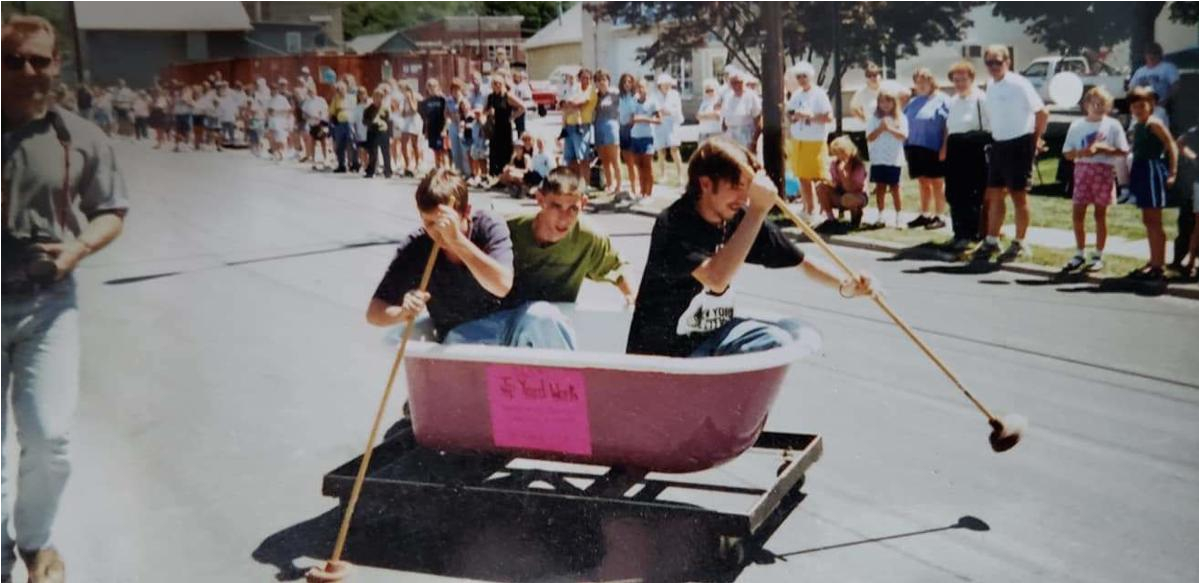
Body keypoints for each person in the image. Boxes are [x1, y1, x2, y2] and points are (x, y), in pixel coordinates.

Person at [2, 16, 129, 583]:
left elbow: (112, 210)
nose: (29, 72)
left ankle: (34, 540)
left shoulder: (78, 135)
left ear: (57, 64)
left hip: (47, 305)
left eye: (39, 60)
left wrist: (77, 249)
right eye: (13, 61)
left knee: (49, 435)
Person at [626, 137, 873, 358]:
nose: (743, 198)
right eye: (735, 186)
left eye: (748, 188)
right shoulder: (674, 222)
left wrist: (847, 283)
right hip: (665, 352)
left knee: (777, 341)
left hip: (713, 336)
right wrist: (757, 210)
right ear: (705, 184)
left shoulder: (739, 218)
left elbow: (801, 261)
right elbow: (716, 278)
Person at [367, 169, 573, 349]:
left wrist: (457, 241)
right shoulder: (417, 246)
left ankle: (571, 388)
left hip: (510, 326)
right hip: (462, 337)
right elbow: (374, 312)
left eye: (443, 222)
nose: (437, 232)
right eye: (428, 223)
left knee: (543, 317)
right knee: (457, 342)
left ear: (466, 211)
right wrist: (402, 312)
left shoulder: (488, 225)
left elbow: (501, 285)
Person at [506, 167, 636, 312]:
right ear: (540, 200)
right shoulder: (508, 228)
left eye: (573, 208)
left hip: (554, 321)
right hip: (503, 317)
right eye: (556, 206)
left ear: (584, 203)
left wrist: (632, 298)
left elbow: (617, 267)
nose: (564, 217)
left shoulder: (589, 237)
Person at [976, 44, 1049, 263]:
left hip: (1020, 144)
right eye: (989, 62)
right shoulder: (990, 85)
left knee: (1018, 195)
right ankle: (992, 239)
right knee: (994, 194)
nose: (994, 66)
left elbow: (1042, 112)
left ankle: (1019, 241)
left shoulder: (1019, 83)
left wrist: (1034, 140)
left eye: (998, 62)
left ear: (1008, 62)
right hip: (999, 144)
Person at [1060, 87, 1130, 273]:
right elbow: (1067, 153)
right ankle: (1079, 253)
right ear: (1086, 105)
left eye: (1103, 104)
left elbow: (1123, 151)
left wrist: (1104, 149)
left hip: (1103, 171)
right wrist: (1083, 152)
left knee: (1100, 215)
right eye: (1094, 104)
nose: (1098, 107)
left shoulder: (1113, 125)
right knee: (1078, 213)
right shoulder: (1077, 126)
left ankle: (1098, 255)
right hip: (1083, 170)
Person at [1125, 87, 1179, 282]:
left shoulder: (1154, 123)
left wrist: (1172, 171)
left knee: (1155, 220)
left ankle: (1159, 265)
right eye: (1134, 106)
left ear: (1152, 105)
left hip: (1152, 171)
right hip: (1141, 171)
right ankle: (1153, 260)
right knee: (1148, 220)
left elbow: (1171, 144)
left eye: (1142, 105)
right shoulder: (1138, 125)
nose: (1138, 109)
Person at [941, 60, 992, 250]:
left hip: (974, 148)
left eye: (963, 79)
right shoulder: (953, 101)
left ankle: (972, 234)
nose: (960, 83)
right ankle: (959, 233)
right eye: (956, 80)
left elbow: (990, 126)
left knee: (972, 193)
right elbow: (950, 128)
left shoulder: (981, 98)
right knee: (954, 192)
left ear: (971, 78)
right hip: (956, 148)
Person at [902, 68, 950, 230]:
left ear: (932, 82)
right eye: (918, 82)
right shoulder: (913, 102)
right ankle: (924, 214)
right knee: (923, 182)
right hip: (914, 147)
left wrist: (944, 147)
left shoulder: (943, 100)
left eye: (925, 81)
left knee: (937, 182)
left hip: (934, 147)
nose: (921, 85)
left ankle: (940, 216)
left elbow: (947, 127)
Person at [786, 62, 833, 221]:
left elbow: (828, 117)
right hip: (798, 139)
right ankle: (808, 208)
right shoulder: (796, 94)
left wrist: (810, 116)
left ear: (810, 76)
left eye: (804, 76)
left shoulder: (819, 94)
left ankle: (824, 211)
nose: (801, 80)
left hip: (815, 140)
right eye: (798, 77)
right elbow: (790, 114)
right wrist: (793, 117)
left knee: (818, 176)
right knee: (802, 176)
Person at [866, 88, 908, 229]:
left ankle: (899, 217)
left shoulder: (900, 117)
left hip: (894, 158)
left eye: (888, 101)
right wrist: (880, 129)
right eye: (882, 101)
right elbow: (869, 137)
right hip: (878, 158)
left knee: (895, 188)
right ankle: (880, 215)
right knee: (880, 187)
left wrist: (889, 128)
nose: (885, 105)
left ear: (894, 103)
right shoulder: (874, 118)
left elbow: (903, 136)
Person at [816, 136, 869, 230]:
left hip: (857, 195)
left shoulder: (858, 166)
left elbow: (853, 189)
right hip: (840, 193)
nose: (838, 157)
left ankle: (856, 217)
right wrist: (828, 182)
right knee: (820, 186)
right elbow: (835, 184)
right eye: (836, 154)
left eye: (840, 153)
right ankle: (830, 219)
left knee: (847, 198)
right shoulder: (835, 164)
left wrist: (844, 175)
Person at [1128, 42, 1180, 128]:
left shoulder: (1168, 67)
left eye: (1155, 53)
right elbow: (1131, 89)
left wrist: (1166, 101)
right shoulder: (1140, 71)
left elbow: (1176, 85)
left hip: (1160, 105)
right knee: (1134, 128)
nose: (1151, 55)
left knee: (1154, 128)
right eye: (1149, 53)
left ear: (1160, 54)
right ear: (1145, 55)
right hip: (1141, 106)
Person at [485, 73, 524, 186]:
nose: (496, 85)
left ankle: (505, 178)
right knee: (494, 152)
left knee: (505, 152)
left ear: (502, 84)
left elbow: (522, 107)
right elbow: (485, 110)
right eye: (494, 83)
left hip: (505, 127)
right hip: (494, 127)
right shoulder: (491, 97)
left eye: (499, 83)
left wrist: (512, 117)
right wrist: (488, 114)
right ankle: (495, 177)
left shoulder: (507, 96)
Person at [561, 68, 597, 183]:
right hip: (569, 126)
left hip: (581, 127)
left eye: (587, 78)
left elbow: (580, 103)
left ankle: (585, 185)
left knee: (583, 158)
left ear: (591, 80)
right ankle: (574, 183)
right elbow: (561, 105)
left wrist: (570, 105)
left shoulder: (591, 91)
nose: (584, 80)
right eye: (582, 78)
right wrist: (569, 106)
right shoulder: (575, 90)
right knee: (570, 158)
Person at [592, 69, 623, 196]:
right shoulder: (595, 96)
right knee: (604, 160)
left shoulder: (615, 93)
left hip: (611, 127)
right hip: (598, 128)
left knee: (615, 159)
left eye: (604, 79)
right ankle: (609, 184)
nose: (601, 82)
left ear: (608, 81)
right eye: (598, 80)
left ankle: (619, 185)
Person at [628, 78, 660, 200]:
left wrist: (645, 119)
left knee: (648, 166)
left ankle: (649, 193)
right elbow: (631, 120)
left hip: (647, 137)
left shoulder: (652, 102)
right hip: (635, 136)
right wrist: (634, 119)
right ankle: (642, 192)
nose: (640, 90)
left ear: (647, 88)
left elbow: (659, 119)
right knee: (639, 166)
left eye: (642, 87)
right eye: (638, 87)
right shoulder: (633, 102)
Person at [718, 70, 761, 152]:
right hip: (730, 136)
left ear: (743, 82)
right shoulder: (727, 97)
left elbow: (758, 122)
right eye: (733, 83)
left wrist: (754, 141)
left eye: (739, 82)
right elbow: (724, 119)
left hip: (746, 136)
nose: (736, 85)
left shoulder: (751, 96)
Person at [617, 73, 641, 197]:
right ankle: (632, 187)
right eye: (625, 82)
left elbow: (635, 114)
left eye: (629, 81)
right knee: (627, 161)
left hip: (633, 128)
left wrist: (631, 125)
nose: (627, 84)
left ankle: (636, 187)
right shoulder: (620, 97)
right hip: (622, 129)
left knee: (634, 161)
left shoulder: (635, 96)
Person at [418, 78, 449, 171]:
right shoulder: (426, 102)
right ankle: (438, 168)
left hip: (441, 128)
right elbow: (426, 118)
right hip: (432, 128)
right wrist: (426, 131)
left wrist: (445, 129)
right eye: (429, 86)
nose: (432, 88)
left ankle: (446, 169)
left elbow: (447, 115)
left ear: (438, 86)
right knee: (435, 150)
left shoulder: (442, 99)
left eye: (434, 86)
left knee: (443, 150)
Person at [363, 87, 393, 179]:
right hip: (372, 131)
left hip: (383, 132)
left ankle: (388, 171)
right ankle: (370, 171)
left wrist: (390, 135)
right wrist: (371, 123)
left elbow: (389, 121)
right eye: (375, 97)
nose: (377, 99)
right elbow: (364, 121)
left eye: (379, 97)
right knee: (373, 153)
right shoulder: (368, 109)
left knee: (386, 153)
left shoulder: (386, 109)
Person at [329, 81, 357, 173]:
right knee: (340, 144)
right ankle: (342, 165)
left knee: (352, 143)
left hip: (350, 123)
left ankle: (354, 164)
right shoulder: (335, 99)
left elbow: (356, 110)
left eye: (342, 89)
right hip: (339, 124)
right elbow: (332, 112)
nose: (340, 91)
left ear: (346, 89)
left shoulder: (352, 98)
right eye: (338, 89)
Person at [395, 83, 422, 176]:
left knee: (415, 144)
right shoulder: (402, 100)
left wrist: (409, 99)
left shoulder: (413, 97)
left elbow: (414, 110)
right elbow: (403, 113)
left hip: (414, 121)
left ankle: (418, 164)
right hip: (406, 122)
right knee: (403, 144)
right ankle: (407, 164)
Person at [301, 86, 330, 169]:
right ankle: (313, 161)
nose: (311, 92)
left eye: (312, 91)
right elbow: (304, 114)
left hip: (321, 123)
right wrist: (309, 117)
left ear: (315, 91)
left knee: (323, 141)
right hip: (311, 124)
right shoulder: (306, 102)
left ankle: (326, 159)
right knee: (312, 142)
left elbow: (326, 110)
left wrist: (321, 117)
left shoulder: (321, 100)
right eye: (309, 91)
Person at [510, 68, 533, 136]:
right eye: (513, 77)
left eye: (515, 77)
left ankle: (521, 138)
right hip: (513, 107)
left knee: (520, 126)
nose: (514, 78)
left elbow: (528, 97)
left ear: (519, 78)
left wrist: (520, 101)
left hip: (520, 108)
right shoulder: (512, 85)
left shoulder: (524, 86)